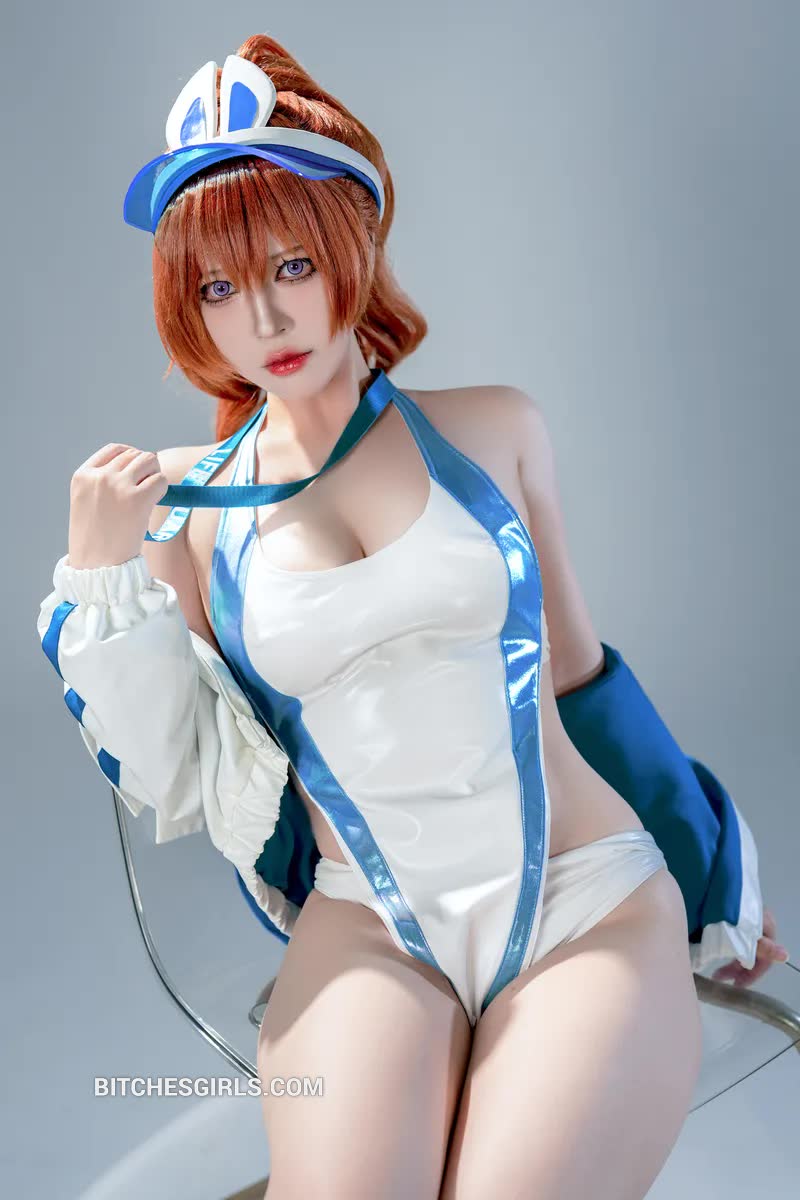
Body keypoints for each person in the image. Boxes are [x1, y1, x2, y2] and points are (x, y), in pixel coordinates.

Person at [36, 33, 786, 1200]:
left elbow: (579, 677)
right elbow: (171, 770)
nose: (262, 318)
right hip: (370, 928)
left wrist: (709, 877)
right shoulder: (181, 512)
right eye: (218, 287)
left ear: (353, 246)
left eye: (290, 265)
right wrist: (99, 570)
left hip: (581, 898)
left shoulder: (495, 428)